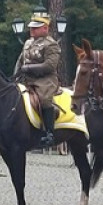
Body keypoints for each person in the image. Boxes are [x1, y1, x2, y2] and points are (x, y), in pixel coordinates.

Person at [13, 13, 61, 148]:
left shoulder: (51, 45)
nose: (31, 30)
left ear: (45, 28)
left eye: (35, 28)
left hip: (45, 80)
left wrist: (28, 68)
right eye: (31, 27)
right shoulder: (28, 42)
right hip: (26, 79)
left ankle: (49, 133)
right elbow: (20, 60)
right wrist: (15, 75)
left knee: (45, 99)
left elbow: (50, 65)